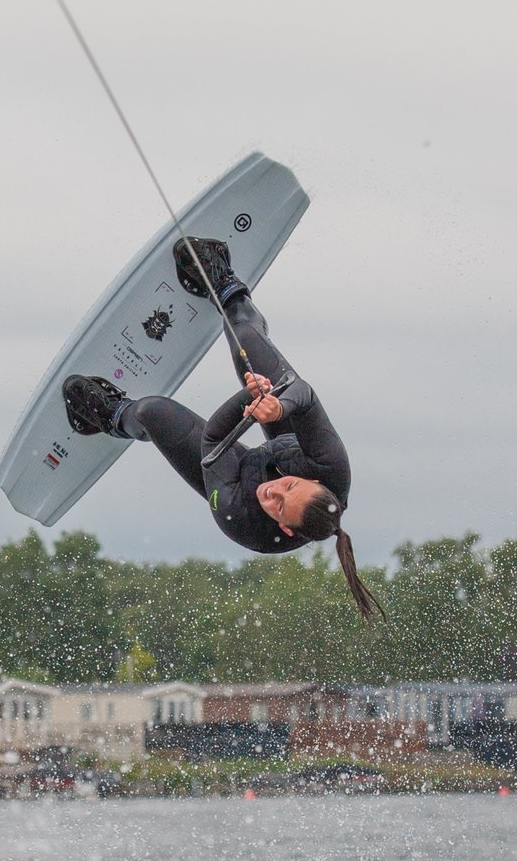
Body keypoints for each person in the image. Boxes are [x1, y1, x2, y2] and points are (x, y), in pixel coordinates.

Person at [63, 237, 384, 621]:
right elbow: (306, 396)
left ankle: (112, 417)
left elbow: (214, 440)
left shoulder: (242, 519)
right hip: (283, 432)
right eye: (291, 486)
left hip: (231, 474)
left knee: (154, 411)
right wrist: (274, 402)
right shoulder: (332, 466)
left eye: (279, 504)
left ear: (285, 527)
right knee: (246, 339)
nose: (276, 489)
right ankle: (226, 289)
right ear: (315, 482)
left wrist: (244, 401)